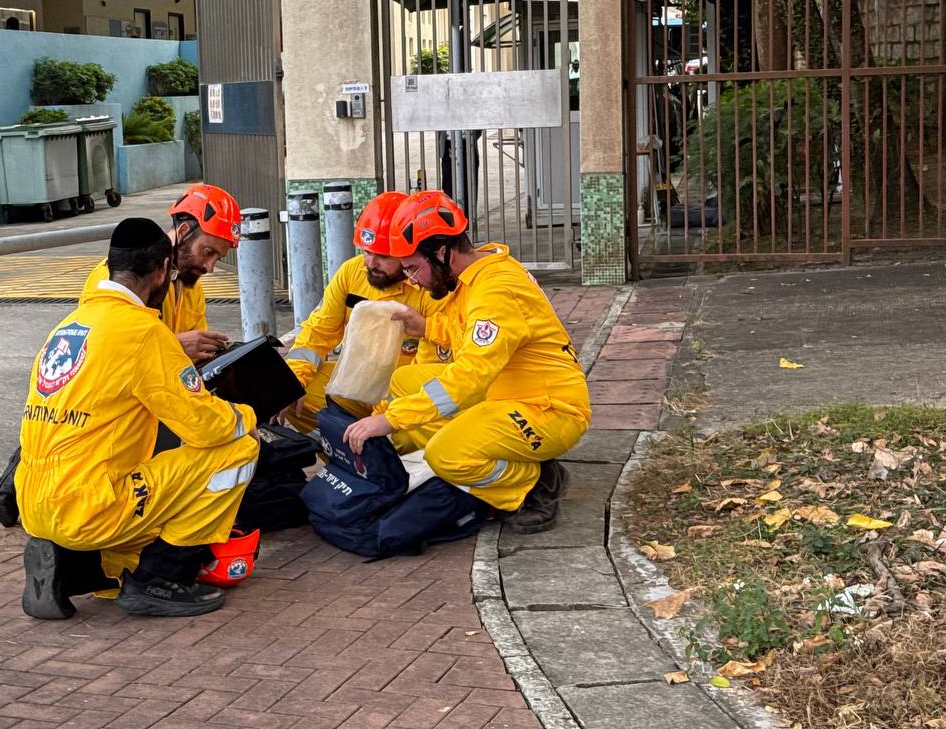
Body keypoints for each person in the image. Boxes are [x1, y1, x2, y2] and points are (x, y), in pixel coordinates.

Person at [18, 217, 259, 619]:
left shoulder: (70, 326)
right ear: (164, 270)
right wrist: (246, 415)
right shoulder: (143, 332)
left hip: (36, 500)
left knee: (146, 479)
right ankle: (161, 580)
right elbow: (204, 425)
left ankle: (80, 568)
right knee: (237, 452)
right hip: (92, 505)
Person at [342, 191, 590, 534]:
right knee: (403, 382)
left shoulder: (495, 290)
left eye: (414, 267)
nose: (411, 278)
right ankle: (490, 452)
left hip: (546, 409)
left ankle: (532, 484)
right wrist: (427, 327)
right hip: (506, 390)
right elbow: (470, 335)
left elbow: (469, 375)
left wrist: (390, 419)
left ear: (443, 250)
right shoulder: (473, 277)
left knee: (446, 455)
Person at [281, 191, 451, 433]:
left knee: (421, 426)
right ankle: (347, 455)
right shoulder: (351, 272)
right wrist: (294, 379)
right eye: (366, 251)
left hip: (405, 396)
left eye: (382, 255)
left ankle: (375, 453)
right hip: (358, 386)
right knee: (290, 391)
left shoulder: (430, 286)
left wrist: (380, 418)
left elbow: (428, 366)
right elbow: (317, 333)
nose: (371, 263)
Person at [80, 183, 241, 363]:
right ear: (184, 231)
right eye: (208, 252)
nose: (209, 267)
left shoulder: (191, 289)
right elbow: (104, 353)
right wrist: (175, 346)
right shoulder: (118, 276)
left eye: (217, 258)